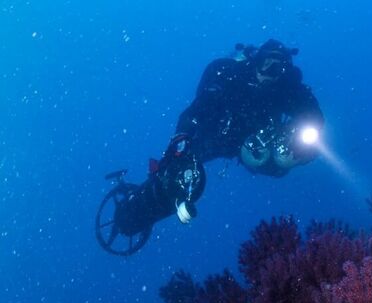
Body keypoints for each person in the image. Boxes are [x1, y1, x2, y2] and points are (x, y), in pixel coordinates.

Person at [109, 39, 324, 241]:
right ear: (255, 60)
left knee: (280, 166)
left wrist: (304, 147)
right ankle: (136, 210)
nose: (270, 73)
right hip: (218, 135)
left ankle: (145, 204)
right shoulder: (231, 77)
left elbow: (314, 117)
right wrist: (182, 141)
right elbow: (196, 111)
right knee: (180, 172)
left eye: (279, 68)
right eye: (266, 63)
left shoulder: (285, 89)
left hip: (255, 144)